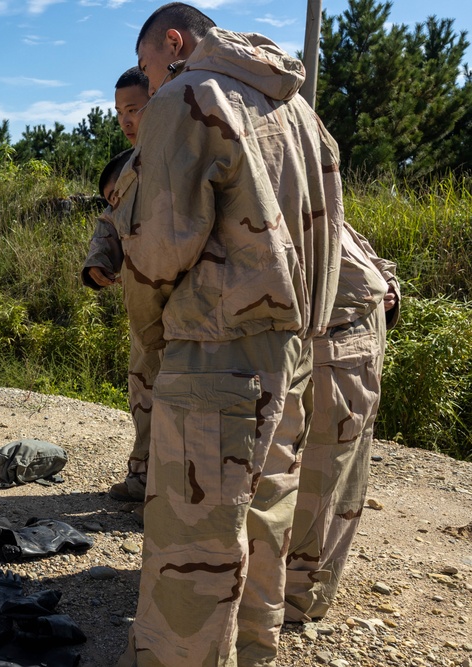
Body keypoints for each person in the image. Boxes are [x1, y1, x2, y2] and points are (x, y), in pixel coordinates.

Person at [115, 3, 343, 665]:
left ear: (176, 45)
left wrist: (150, 332)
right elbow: (326, 231)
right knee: (263, 511)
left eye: (151, 71)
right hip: (290, 347)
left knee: (193, 539)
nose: (148, 87)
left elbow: (158, 248)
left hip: (213, 351)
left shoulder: (188, 97)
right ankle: (249, 649)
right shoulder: (298, 110)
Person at [284, 225, 400, 622]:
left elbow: (368, 255)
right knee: (308, 465)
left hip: (340, 337)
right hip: (325, 337)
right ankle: (284, 586)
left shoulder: (282, 175)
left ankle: (296, 596)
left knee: (327, 470)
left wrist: (388, 290)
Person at [82, 68, 161, 505]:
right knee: (143, 392)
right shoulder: (129, 168)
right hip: (145, 305)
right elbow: (110, 223)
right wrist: (99, 261)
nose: (126, 120)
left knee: (183, 401)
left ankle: (170, 492)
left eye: (134, 109)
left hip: (190, 306)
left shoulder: (181, 155)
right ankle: (143, 478)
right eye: (119, 113)